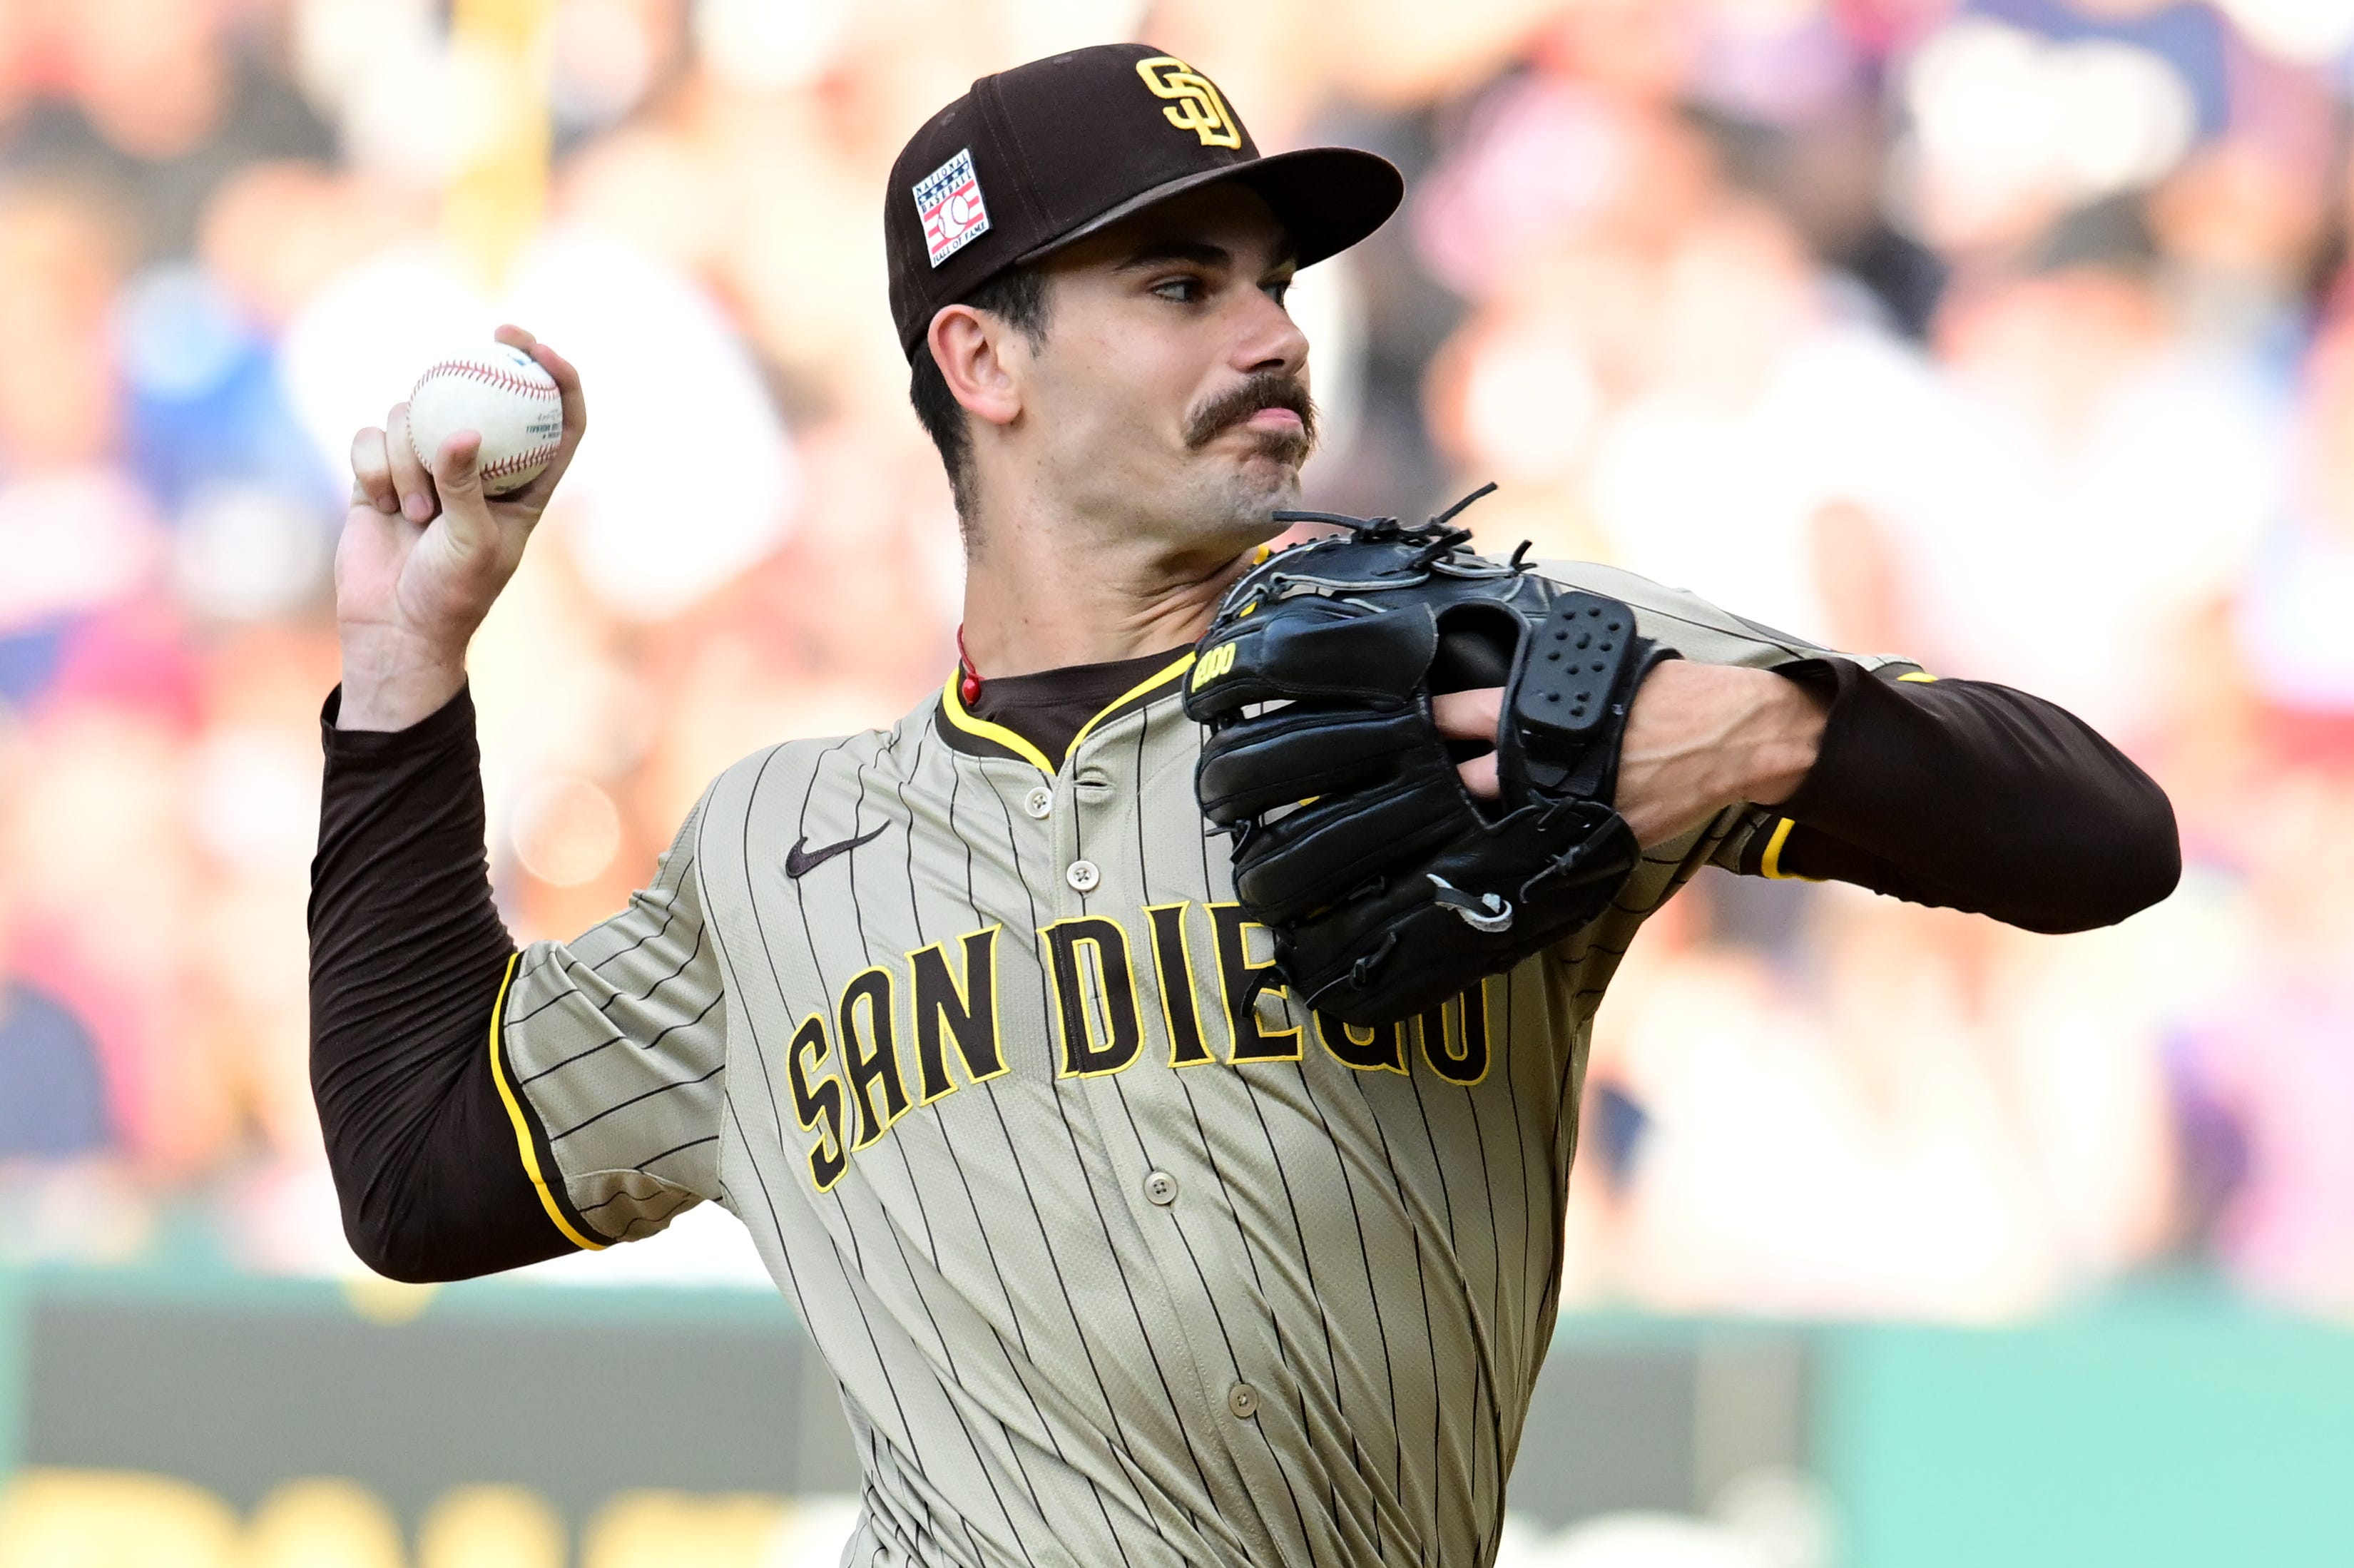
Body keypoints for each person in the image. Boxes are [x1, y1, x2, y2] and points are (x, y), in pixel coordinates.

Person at [310, 44, 2178, 1567]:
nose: (1273, 335)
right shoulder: (769, 853)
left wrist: (1742, 737)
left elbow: (2104, 833)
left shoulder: (1473, 673)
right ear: (981, 359)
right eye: (1178, 284)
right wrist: (405, 674)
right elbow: (418, 1178)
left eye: (1273, 282)